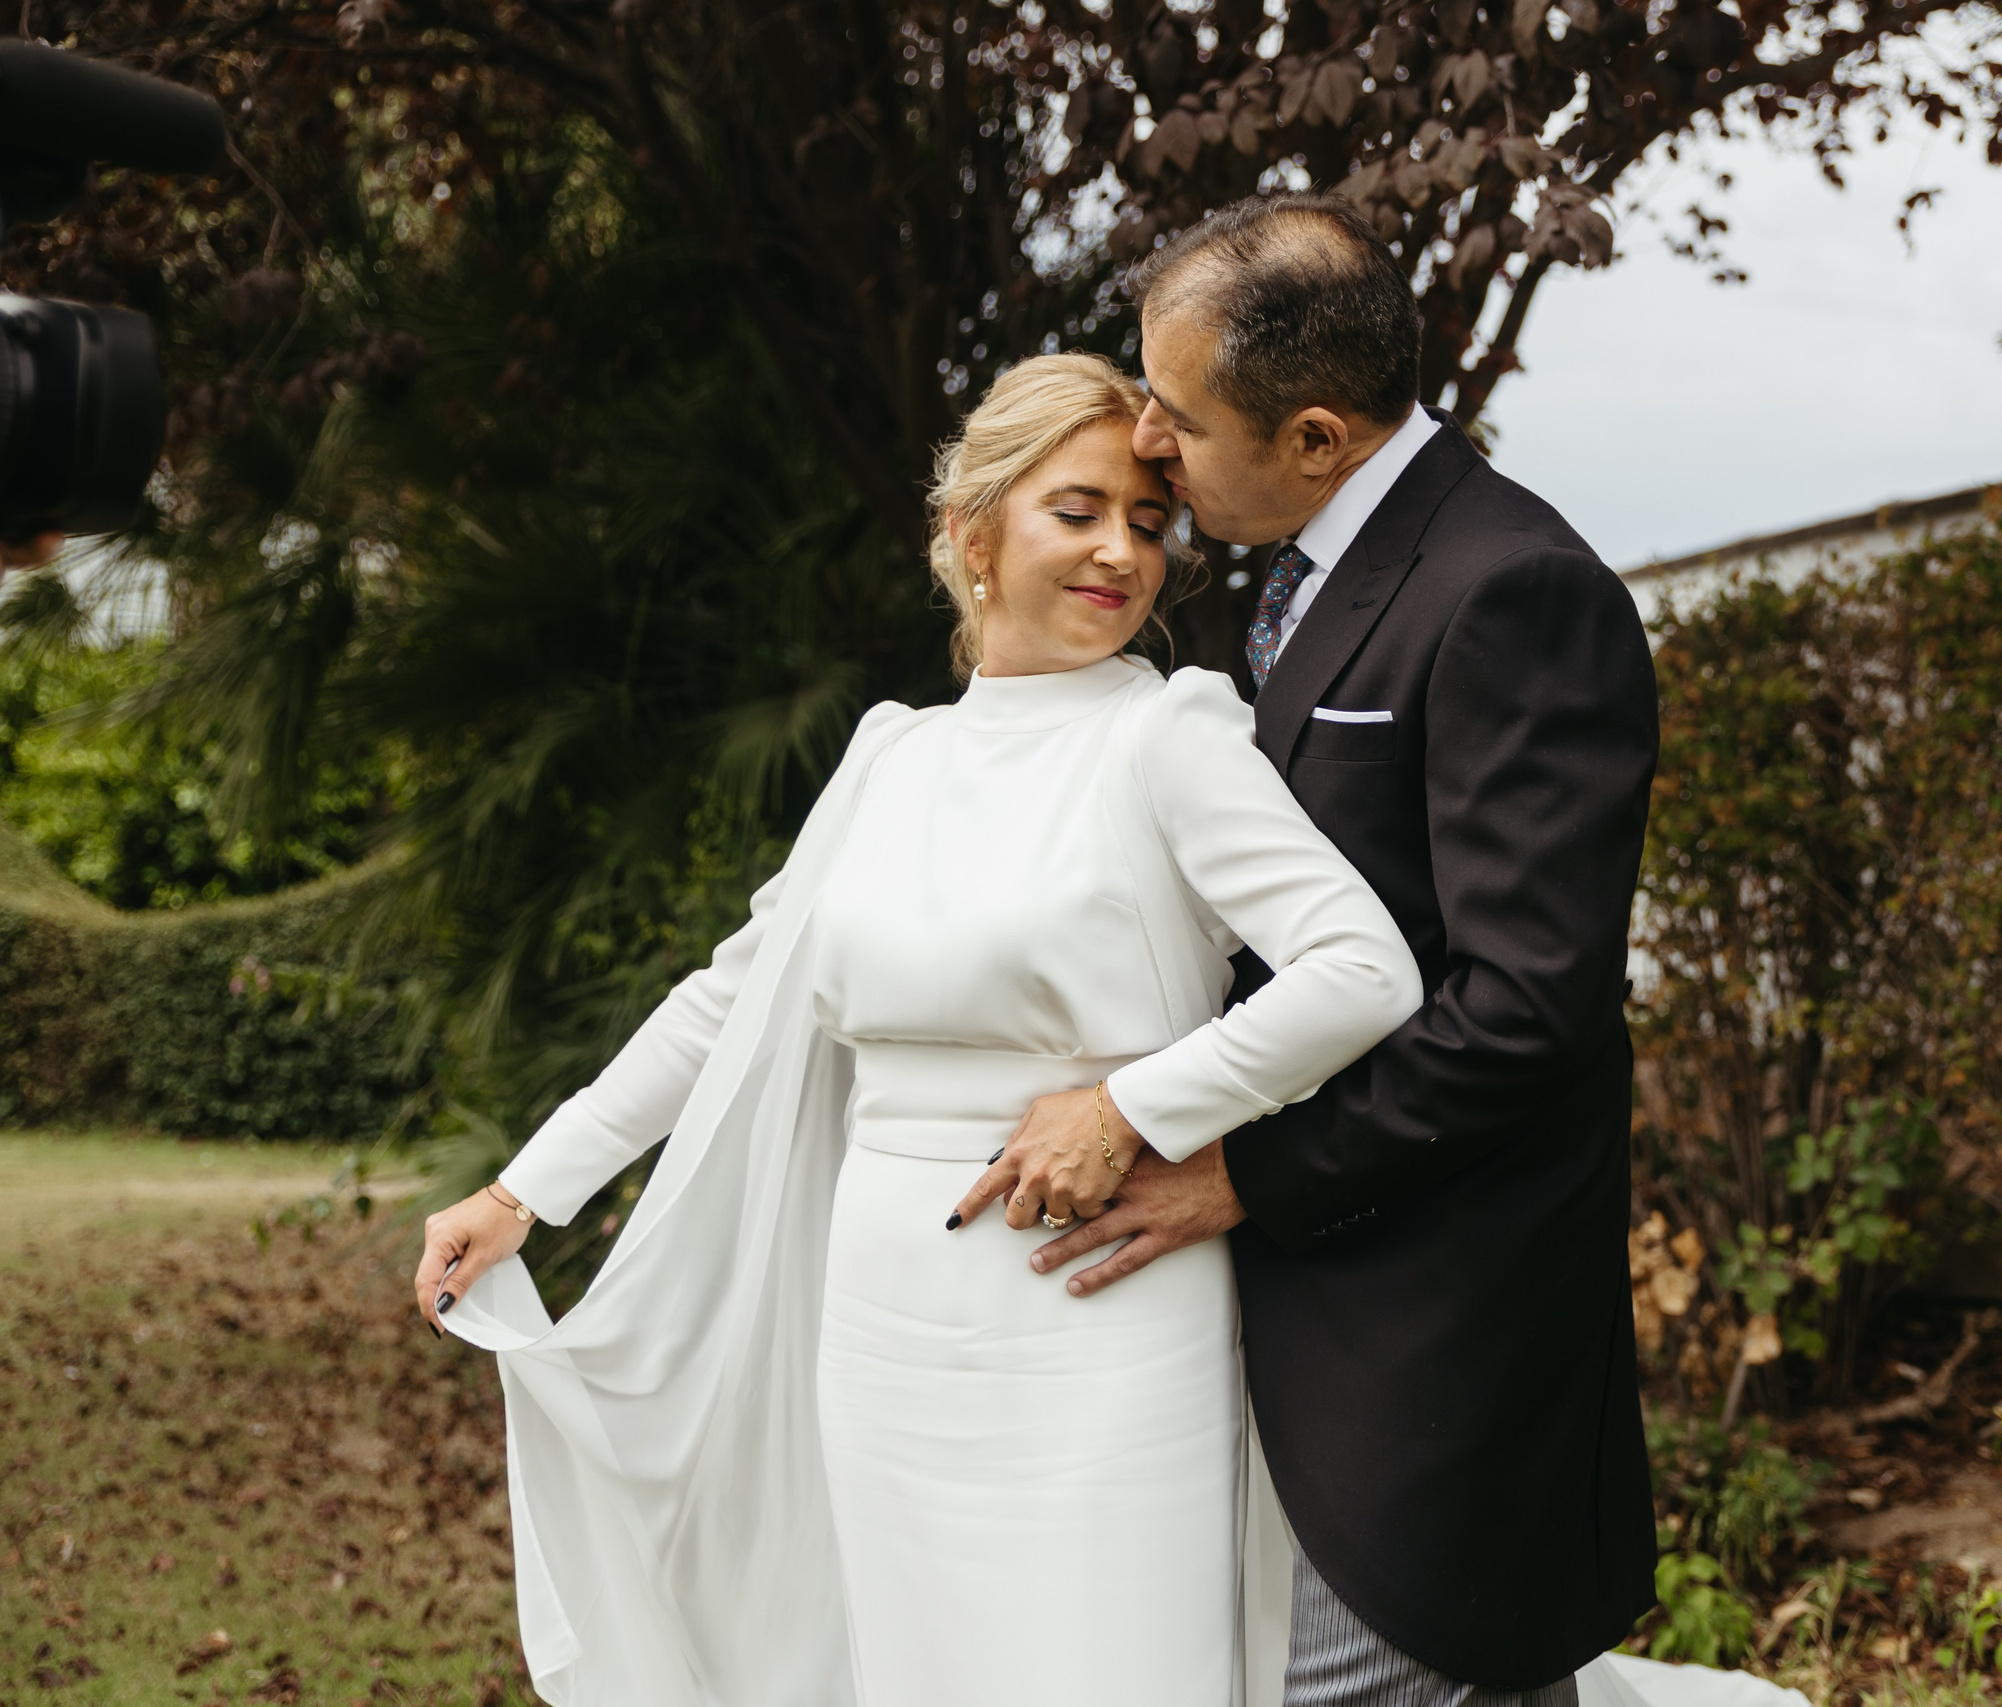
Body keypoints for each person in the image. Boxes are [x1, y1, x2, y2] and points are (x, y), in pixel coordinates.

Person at [417, 352, 1425, 1706]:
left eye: (1148, 521)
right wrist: (523, 1192)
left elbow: (1361, 969)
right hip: (886, 1311)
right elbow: (733, 995)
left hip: (1097, 1297)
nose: (1122, 551)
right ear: (974, 536)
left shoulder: (1170, 737)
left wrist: (1129, 1108)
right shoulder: (892, 755)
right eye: (1078, 511)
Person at [1016, 192, 1664, 1706]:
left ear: (1316, 436)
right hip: (1310, 1313)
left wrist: (1244, 1172)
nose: (1149, 444)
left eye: (1177, 416)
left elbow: (1524, 1010)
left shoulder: (1513, 590)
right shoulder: (1310, 564)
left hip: (1437, 1326)